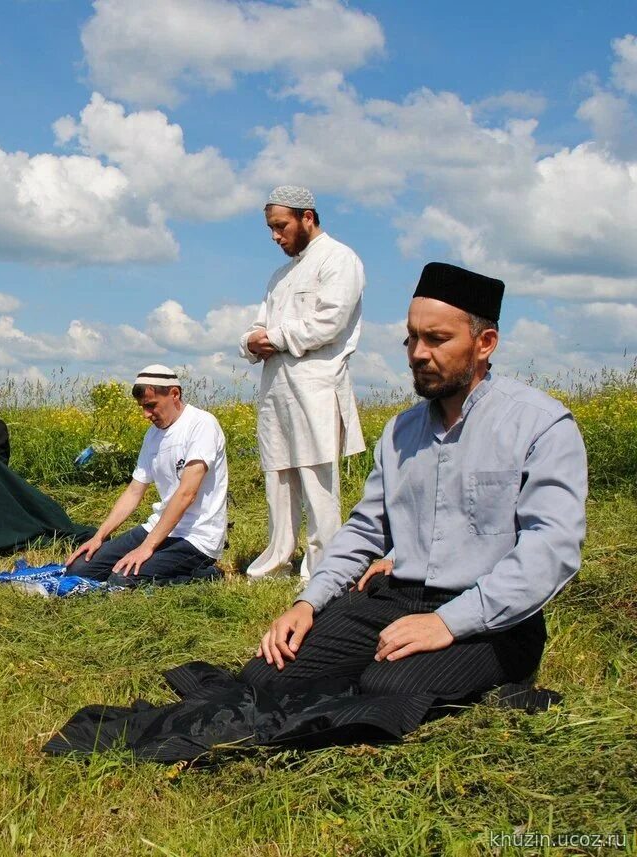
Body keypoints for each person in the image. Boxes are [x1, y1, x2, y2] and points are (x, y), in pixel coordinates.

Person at [245, 263, 588, 702]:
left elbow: (551, 549)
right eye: (412, 338)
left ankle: (492, 677)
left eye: (437, 339)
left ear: (485, 344)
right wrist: (307, 603)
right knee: (268, 674)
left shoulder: (540, 425)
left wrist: (448, 622)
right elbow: (366, 531)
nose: (418, 353)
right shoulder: (400, 432)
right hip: (398, 600)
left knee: (388, 686)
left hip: (493, 616)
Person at [239, 185, 366, 582]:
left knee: (316, 476)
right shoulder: (280, 275)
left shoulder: (339, 259)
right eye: (271, 229)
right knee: (278, 474)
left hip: (315, 384)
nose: (276, 236)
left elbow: (330, 321)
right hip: (276, 386)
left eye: (281, 226)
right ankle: (277, 559)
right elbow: (258, 325)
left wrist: (273, 338)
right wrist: (249, 341)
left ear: (306, 217)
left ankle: (324, 565)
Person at [64, 365, 227, 588]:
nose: (146, 415)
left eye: (151, 406)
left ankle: (205, 573)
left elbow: (187, 493)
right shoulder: (152, 436)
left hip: (196, 537)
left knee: (122, 579)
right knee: (80, 569)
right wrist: (99, 536)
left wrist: (146, 547)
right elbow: (134, 491)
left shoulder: (202, 424)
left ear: (174, 394)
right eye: (142, 407)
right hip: (159, 527)